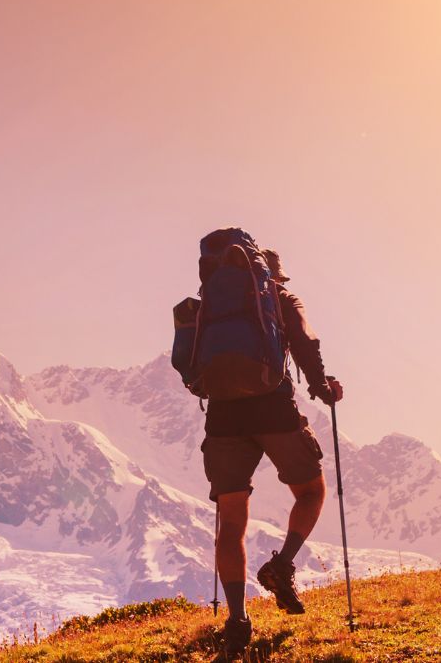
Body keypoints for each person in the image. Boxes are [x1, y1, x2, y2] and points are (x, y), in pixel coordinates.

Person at [172, 228, 343, 658]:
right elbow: (304, 342)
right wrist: (323, 388)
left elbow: (187, 362)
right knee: (311, 490)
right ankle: (282, 565)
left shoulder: (209, 306)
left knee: (231, 524)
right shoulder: (281, 300)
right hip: (273, 407)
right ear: (271, 277)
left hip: (225, 416)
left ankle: (236, 621)